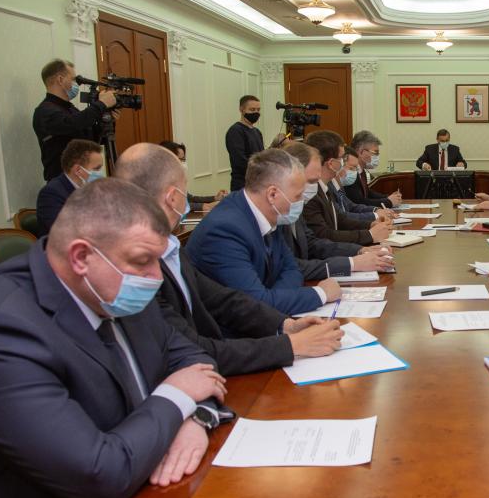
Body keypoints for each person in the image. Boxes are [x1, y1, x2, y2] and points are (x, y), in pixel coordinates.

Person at [0, 178, 227, 498]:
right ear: (81, 256)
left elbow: (196, 362)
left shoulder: (112, 287)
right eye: (143, 261)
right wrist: (177, 398)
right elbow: (99, 472)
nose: (156, 278)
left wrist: (196, 417)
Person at [115, 143, 344, 376]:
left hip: (219, 355)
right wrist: (291, 345)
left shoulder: (169, 245)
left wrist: (284, 325)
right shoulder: (142, 265)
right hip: (204, 363)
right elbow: (191, 347)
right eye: (186, 193)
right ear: (173, 197)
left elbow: (223, 299)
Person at [185, 149, 340, 315]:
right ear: (272, 194)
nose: (302, 201)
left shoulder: (268, 212)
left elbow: (292, 269)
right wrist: (321, 294)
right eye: (297, 196)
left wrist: (271, 297)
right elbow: (255, 305)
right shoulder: (224, 230)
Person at [280, 141, 394, 279]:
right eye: (311, 181)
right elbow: (289, 267)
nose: (315, 186)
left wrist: (359, 250)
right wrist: (352, 263)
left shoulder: (296, 204)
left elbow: (313, 244)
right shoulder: (288, 209)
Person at [32, 58, 116, 181]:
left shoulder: (70, 108)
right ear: (60, 80)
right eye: (73, 79)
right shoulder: (44, 112)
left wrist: (108, 119)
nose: (76, 84)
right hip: (63, 181)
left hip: (84, 177)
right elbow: (72, 124)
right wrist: (101, 104)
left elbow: (92, 138)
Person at [303, 131, 391, 246]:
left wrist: (370, 224)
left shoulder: (325, 186)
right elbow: (324, 235)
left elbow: (340, 219)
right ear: (331, 163)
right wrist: (369, 235)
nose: (343, 163)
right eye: (341, 158)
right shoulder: (310, 193)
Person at [36, 138, 104, 236]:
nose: (101, 173)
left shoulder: (91, 189)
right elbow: (64, 231)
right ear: (78, 170)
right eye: (97, 169)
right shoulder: (51, 194)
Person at [159, 140, 227, 211]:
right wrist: (204, 206)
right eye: (180, 159)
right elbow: (174, 205)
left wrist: (215, 198)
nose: (183, 163)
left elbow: (190, 198)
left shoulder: (175, 179)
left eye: (184, 160)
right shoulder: (158, 182)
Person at [337, 148, 397, 223]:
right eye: (351, 168)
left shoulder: (356, 175)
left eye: (355, 168)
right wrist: (376, 215)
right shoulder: (332, 187)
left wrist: (376, 210)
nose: (354, 172)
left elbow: (352, 206)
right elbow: (342, 217)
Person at [347, 130, 401, 208]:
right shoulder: (350, 174)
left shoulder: (361, 170)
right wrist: (388, 202)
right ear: (360, 152)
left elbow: (367, 193)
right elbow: (359, 201)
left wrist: (389, 197)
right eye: (375, 153)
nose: (377, 156)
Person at [225, 95, 264, 191]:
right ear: (241, 110)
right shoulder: (235, 131)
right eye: (252, 109)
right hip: (242, 184)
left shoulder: (257, 132)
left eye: (258, 110)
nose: (256, 113)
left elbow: (260, 156)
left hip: (258, 182)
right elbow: (240, 161)